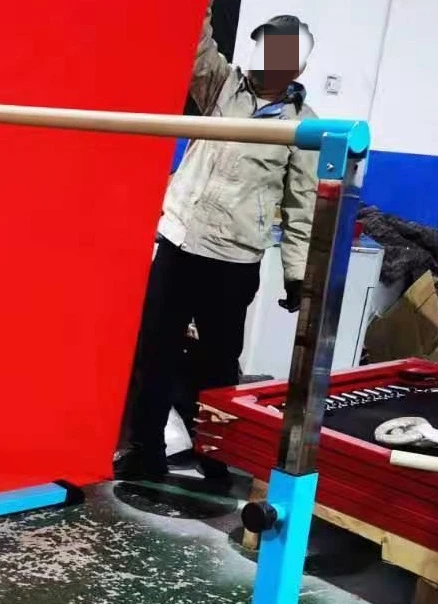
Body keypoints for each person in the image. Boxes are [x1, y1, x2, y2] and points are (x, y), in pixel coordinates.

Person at [116, 9, 319, 484]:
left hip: (235, 258)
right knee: (155, 352)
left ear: (300, 65)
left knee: (219, 366)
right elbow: (195, 43)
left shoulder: (304, 126)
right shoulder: (221, 86)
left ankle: (216, 455)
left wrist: (297, 273)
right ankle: (145, 452)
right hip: (181, 240)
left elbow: (302, 205)